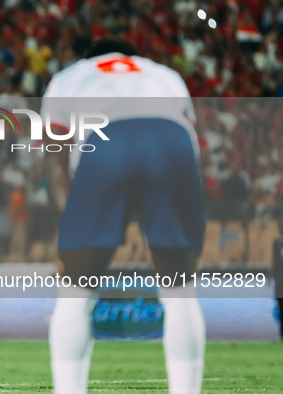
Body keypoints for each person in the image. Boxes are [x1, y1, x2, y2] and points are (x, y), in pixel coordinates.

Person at [42, 38, 206, 393]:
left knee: (75, 291)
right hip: (172, 138)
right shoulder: (165, 74)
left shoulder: (70, 77)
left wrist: (67, 227)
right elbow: (190, 141)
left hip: (107, 138)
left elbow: (55, 159)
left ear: (89, 59)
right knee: (180, 292)